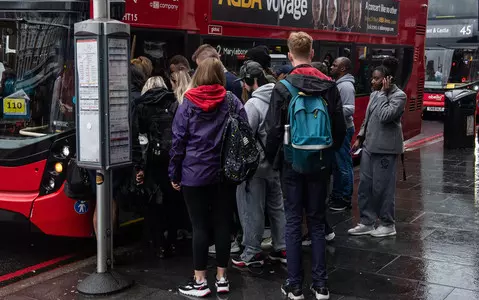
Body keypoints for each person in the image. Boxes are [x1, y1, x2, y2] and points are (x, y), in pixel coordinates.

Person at [265, 32, 346, 300]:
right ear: (312, 53)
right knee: (317, 221)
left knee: (292, 221)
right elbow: (339, 129)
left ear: (290, 55)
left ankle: (294, 285)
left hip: (291, 163)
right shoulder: (330, 86)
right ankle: (321, 285)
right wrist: (326, 153)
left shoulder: (282, 87)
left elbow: (273, 131)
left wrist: (273, 158)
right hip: (321, 164)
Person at [169, 57, 247, 297]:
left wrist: (174, 172)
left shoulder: (188, 103)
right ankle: (222, 278)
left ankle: (200, 282)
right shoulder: (232, 101)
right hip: (225, 174)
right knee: (223, 224)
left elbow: (178, 142)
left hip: (194, 175)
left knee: (199, 227)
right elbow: (245, 130)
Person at [232, 60, 287, 268]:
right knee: (276, 206)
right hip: (276, 163)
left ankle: (252, 251)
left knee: (251, 207)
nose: (244, 87)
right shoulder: (280, 96)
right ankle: (282, 246)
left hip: (256, 167)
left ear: (252, 81)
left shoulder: (253, 104)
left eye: (245, 82)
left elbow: (246, 136)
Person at [192, 44, 243, 254]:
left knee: (208, 218)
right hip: (228, 158)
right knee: (225, 210)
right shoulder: (235, 83)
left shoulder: (192, 99)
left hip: (209, 159)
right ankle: (224, 268)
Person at [348, 57, 406, 237]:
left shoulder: (399, 96)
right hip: (369, 146)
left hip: (385, 150)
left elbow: (385, 116)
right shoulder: (374, 94)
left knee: (383, 188)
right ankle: (367, 221)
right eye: (372, 78)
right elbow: (368, 118)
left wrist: (383, 94)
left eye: (376, 78)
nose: (372, 81)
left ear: (387, 80)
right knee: (365, 186)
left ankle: (388, 224)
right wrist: (360, 137)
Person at [134, 76, 179, 258]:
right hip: (171, 157)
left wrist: (140, 167)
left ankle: (158, 242)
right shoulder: (174, 102)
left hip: (152, 158)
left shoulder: (141, 106)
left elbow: (140, 139)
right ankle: (173, 240)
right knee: (172, 200)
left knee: (153, 201)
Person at [329, 57, 356, 211]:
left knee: (344, 164)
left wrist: (331, 109)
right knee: (338, 164)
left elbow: (350, 108)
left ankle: (345, 197)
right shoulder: (338, 83)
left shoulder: (345, 86)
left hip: (344, 129)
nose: (331, 67)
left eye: (335, 65)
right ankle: (338, 194)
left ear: (343, 69)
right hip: (340, 128)